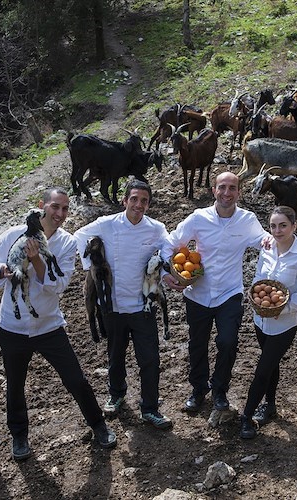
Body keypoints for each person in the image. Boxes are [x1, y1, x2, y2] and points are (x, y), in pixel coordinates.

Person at [0, 187, 116, 461]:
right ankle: (19, 436)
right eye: (55, 207)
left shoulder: (67, 243)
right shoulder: (12, 234)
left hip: (48, 326)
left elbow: (56, 287)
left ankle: (98, 425)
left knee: (75, 379)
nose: (60, 214)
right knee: (15, 384)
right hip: (13, 326)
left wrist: (35, 260)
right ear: (41, 205)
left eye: (65, 209)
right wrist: (4, 270)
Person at [161, 171, 269, 413]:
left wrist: (278, 241)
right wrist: (166, 273)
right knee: (197, 344)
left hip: (230, 293)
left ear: (239, 193)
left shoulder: (247, 220)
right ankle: (198, 389)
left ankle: (220, 390)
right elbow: (171, 242)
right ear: (214, 191)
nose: (227, 193)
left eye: (232, 188)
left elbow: (264, 240)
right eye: (222, 187)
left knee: (228, 342)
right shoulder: (198, 218)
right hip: (198, 293)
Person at [73, 180, 172, 430]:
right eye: (134, 199)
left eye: (144, 201)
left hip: (142, 307)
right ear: (124, 200)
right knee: (115, 356)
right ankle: (116, 394)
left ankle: (149, 407)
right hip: (113, 305)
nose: (139, 205)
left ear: (149, 204)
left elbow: (169, 251)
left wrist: (171, 274)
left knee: (149, 359)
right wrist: (92, 267)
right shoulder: (107, 224)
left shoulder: (156, 228)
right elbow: (79, 235)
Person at [240, 206, 297, 439]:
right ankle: (270, 405)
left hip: (284, 324)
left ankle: (246, 417)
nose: (277, 230)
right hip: (260, 319)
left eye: (283, 225)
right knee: (271, 364)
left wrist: (280, 309)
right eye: (273, 225)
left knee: (263, 369)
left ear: (294, 226)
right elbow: (258, 278)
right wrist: (256, 296)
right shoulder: (268, 248)